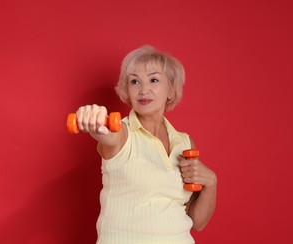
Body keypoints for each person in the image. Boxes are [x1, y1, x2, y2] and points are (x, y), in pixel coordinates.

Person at [75, 45, 217, 244]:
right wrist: (93, 120)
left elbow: (197, 222)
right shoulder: (123, 133)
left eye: (154, 80)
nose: (143, 90)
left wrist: (211, 182)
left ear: (171, 88)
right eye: (134, 81)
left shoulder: (184, 142)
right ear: (127, 89)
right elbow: (106, 134)